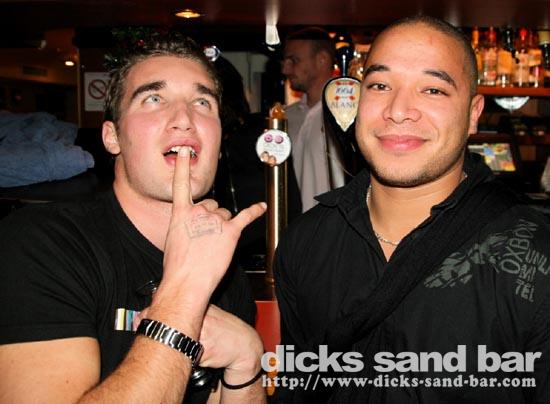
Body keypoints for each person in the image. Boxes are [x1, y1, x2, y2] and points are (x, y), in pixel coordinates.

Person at [274, 15, 550, 403]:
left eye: (433, 90)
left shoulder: (535, 258)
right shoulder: (305, 242)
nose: (398, 110)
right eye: (380, 85)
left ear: (473, 114)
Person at [0, 34, 267, 403]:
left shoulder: (223, 268)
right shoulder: (39, 244)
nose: (185, 119)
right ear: (112, 137)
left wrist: (247, 360)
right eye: (153, 99)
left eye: (202, 102)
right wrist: (184, 295)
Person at [282, 27, 344, 212]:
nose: (285, 69)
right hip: (294, 226)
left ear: (322, 59)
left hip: (336, 225)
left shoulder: (345, 115)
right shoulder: (285, 116)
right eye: (285, 61)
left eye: (294, 60)